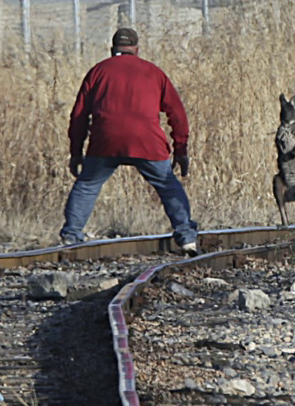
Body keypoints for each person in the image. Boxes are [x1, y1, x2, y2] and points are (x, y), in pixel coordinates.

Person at [59, 27, 199, 256]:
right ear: (136, 49)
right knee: (167, 185)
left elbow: (79, 115)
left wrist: (76, 152)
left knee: (87, 185)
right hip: (147, 141)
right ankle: (187, 238)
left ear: (112, 48)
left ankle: (71, 236)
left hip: (105, 140)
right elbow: (177, 114)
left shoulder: (98, 71)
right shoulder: (153, 72)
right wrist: (181, 149)